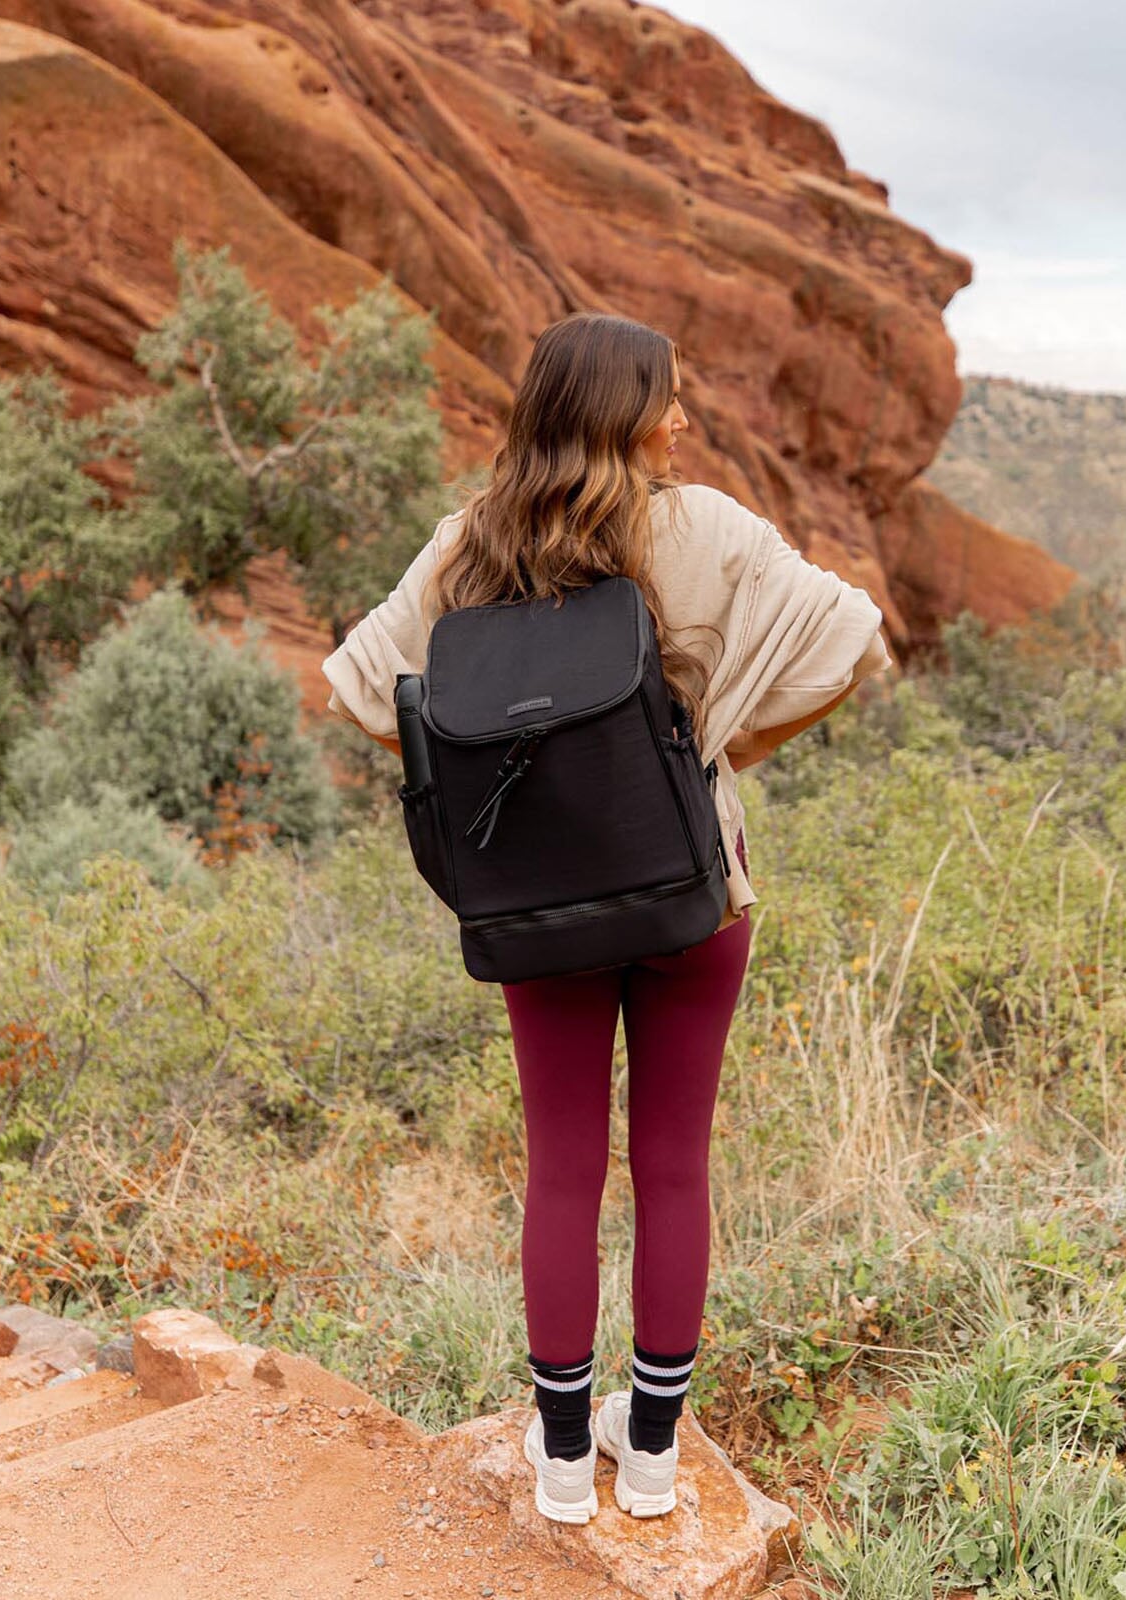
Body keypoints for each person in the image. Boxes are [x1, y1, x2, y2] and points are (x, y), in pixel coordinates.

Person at [322, 313, 889, 1523]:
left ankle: (566, 1456)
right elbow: (850, 640)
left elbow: (365, 691)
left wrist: (477, 788)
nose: (682, 418)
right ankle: (656, 1455)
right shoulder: (707, 529)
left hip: (539, 905)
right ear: (620, 412)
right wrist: (715, 753)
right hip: (694, 890)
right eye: (666, 397)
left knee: (563, 1169)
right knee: (674, 1164)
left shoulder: (472, 544)